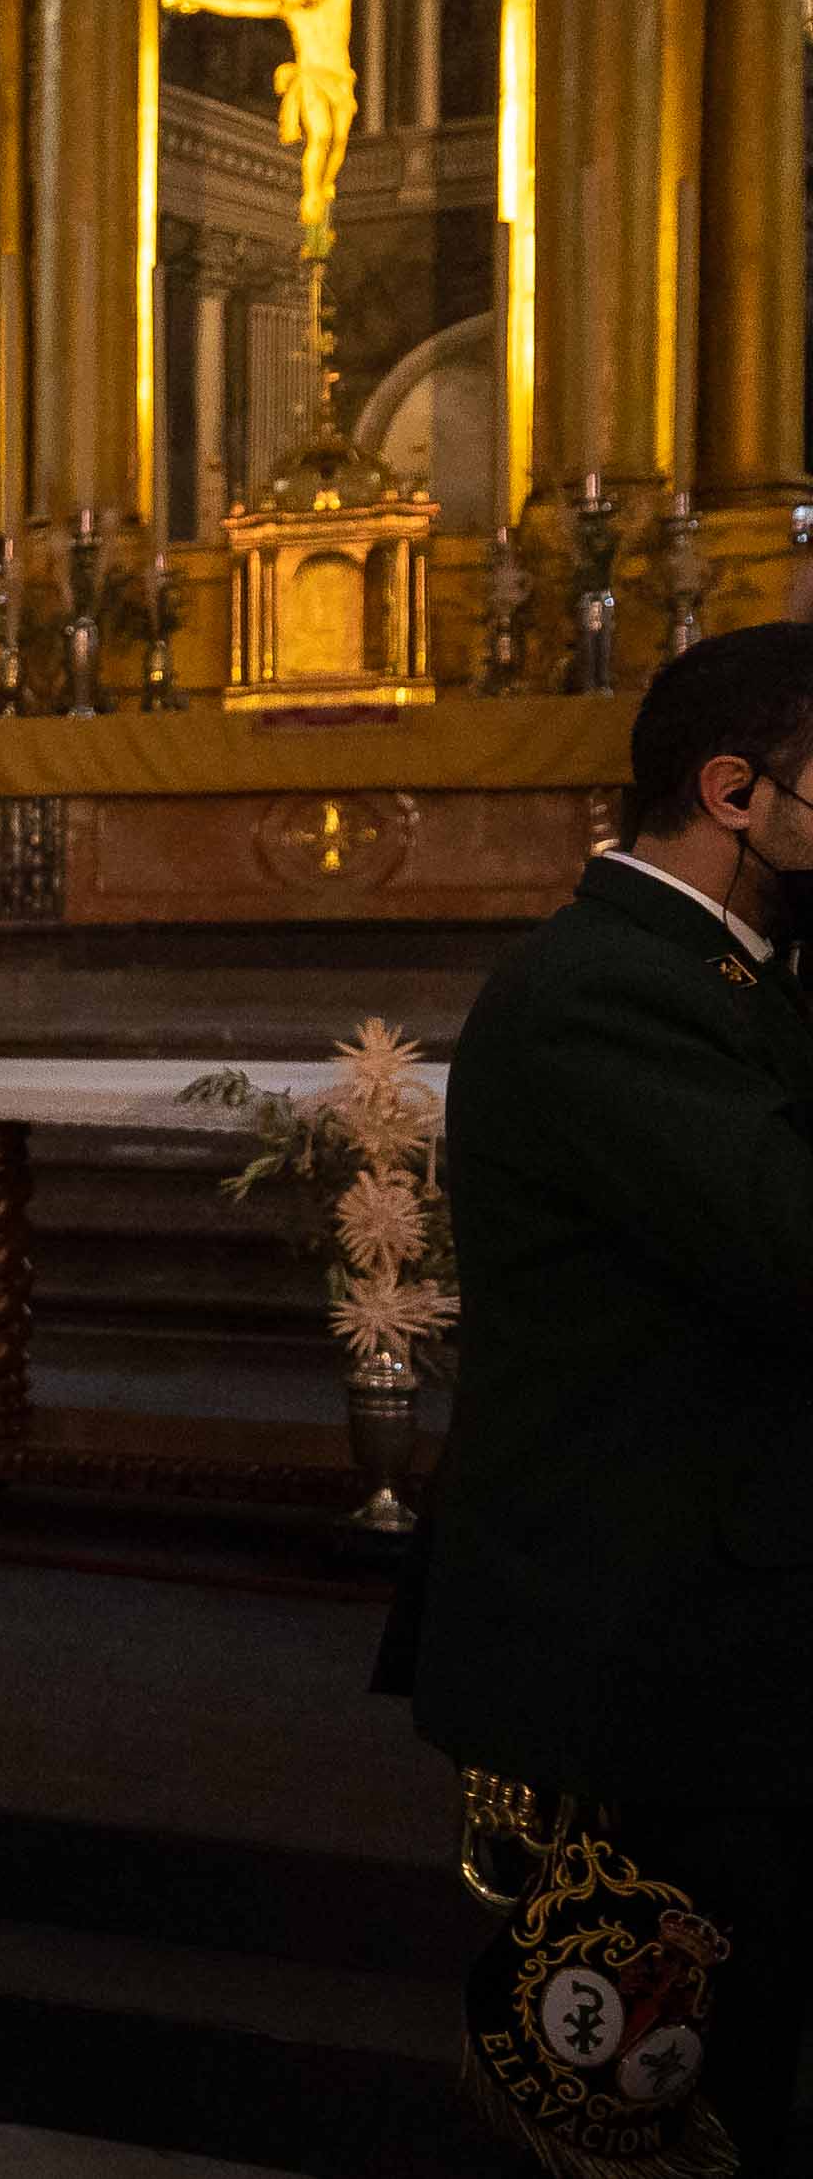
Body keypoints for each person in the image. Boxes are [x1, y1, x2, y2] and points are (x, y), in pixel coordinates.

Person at [419, 623, 813, 2172]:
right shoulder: (609, 990)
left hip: (729, 1620)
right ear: (735, 792)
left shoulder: (728, 976)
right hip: (657, 1642)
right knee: (670, 2095)